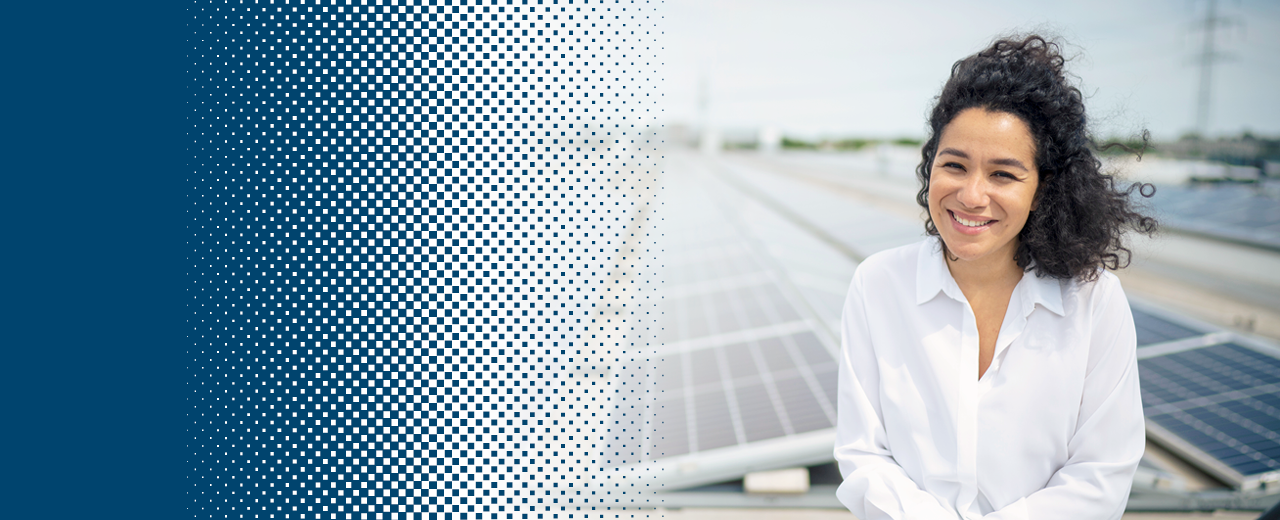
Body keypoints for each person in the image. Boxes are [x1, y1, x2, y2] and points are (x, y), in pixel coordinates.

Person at [834, 35, 1157, 520]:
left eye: (1003, 175)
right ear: (929, 168)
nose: (971, 194)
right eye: (954, 165)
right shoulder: (878, 284)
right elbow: (864, 459)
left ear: (1042, 188)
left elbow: (1101, 475)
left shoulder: (1094, 300)